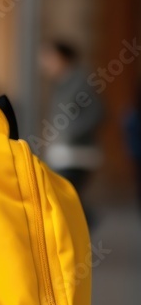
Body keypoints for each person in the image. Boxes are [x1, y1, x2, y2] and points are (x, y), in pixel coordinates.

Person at [39, 40, 104, 205]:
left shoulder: (81, 81)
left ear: (62, 57)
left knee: (66, 201)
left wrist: (70, 133)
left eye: (49, 57)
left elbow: (97, 112)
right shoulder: (59, 84)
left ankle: (87, 221)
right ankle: (86, 221)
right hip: (61, 154)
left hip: (77, 155)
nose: (44, 63)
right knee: (67, 201)